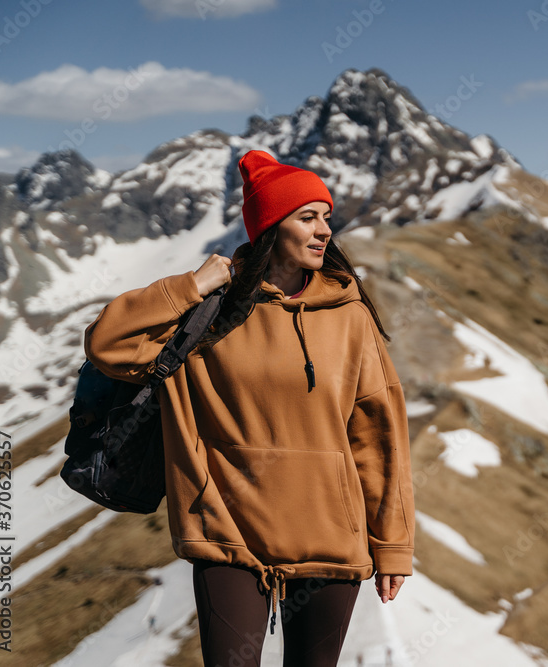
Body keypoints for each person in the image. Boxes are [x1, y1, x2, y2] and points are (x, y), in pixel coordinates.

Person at [84, 149, 415, 666]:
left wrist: (392, 544)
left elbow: (378, 436)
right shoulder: (211, 311)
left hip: (330, 535)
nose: (324, 230)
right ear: (270, 227)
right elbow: (106, 344)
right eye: (307, 217)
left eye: (326, 217)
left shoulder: (350, 315)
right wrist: (190, 287)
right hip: (226, 533)